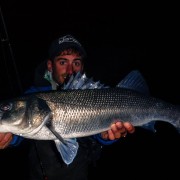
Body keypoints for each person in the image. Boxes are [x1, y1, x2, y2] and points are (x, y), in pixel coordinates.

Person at [0, 34, 135, 180]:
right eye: (63, 62)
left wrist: (106, 137)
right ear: (50, 65)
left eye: (76, 63)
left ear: (82, 66)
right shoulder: (33, 95)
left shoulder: (92, 93)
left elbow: (99, 135)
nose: (70, 70)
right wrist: (8, 138)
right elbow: (18, 134)